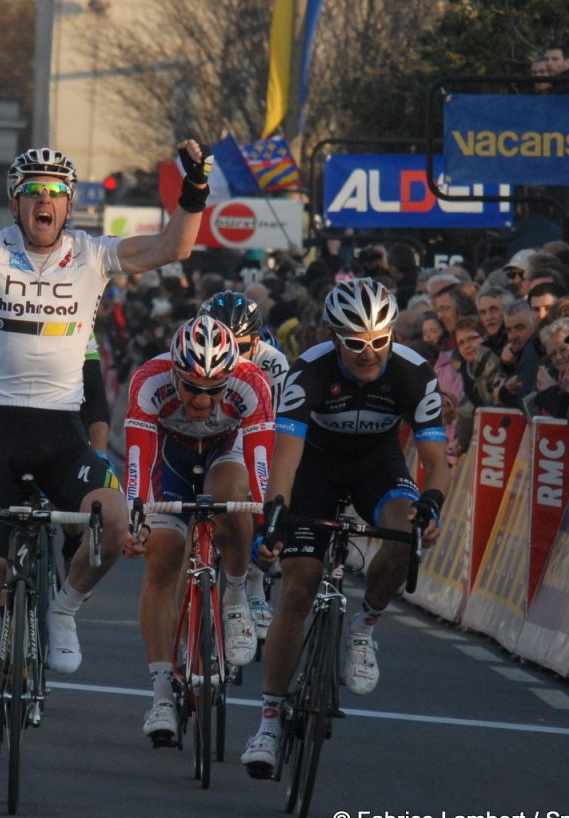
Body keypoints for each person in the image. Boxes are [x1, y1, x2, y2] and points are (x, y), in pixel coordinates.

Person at [0, 126, 212, 772]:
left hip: (62, 431)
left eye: (56, 193)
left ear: (69, 204)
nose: (45, 201)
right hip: (1, 431)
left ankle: (63, 610)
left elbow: (176, 245)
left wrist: (195, 184)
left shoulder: (93, 254)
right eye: (33, 192)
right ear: (15, 203)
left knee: (116, 526)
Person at [240, 278, 448, 778]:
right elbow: (284, 462)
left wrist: (433, 504)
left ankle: (364, 628)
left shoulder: (414, 372)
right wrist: (276, 519)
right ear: (335, 338)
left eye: (380, 340)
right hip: (313, 469)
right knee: (299, 585)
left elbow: (436, 459)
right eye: (356, 343)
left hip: (378, 467)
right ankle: (268, 720)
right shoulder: (307, 372)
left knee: (406, 531)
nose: (369, 353)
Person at [123, 317, 274, 744]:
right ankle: (161, 695)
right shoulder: (150, 381)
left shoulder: (252, 381)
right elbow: (138, 462)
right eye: (192, 387)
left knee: (233, 495)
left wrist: (266, 527)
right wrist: (136, 519)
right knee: (163, 558)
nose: (202, 399)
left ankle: (235, 594)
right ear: (174, 371)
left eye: (214, 389)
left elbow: (262, 472)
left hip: (224, 456)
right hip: (169, 463)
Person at [199, 289, 288, 638]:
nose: (234, 356)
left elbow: (274, 433)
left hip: (251, 426)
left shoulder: (274, 363)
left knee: (254, 476)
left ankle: (253, 577)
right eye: (226, 343)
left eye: (244, 346)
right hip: (206, 430)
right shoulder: (193, 350)